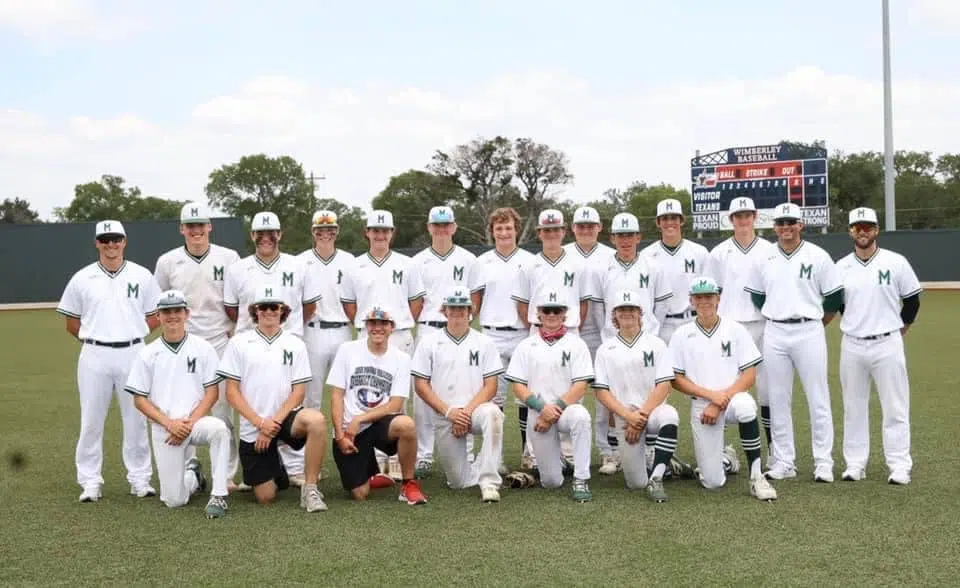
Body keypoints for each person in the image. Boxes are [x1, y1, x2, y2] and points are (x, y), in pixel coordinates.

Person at [56, 220, 159, 502]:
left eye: (116, 239)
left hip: (134, 353)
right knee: (91, 419)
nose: (111, 245)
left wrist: (133, 334)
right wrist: (96, 338)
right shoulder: (82, 278)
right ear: (97, 243)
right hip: (94, 355)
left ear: (124, 241)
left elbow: (154, 315)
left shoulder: (142, 275)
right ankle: (90, 481)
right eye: (105, 239)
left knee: (137, 419)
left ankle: (140, 479)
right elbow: (71, 321)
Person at [744, 202, 843, 482]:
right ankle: (784, 461)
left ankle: (823, 462)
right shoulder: (764, 258)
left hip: (808, 329)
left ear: (801, 224)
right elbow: (757, 295)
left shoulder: (817, 255)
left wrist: (814, 322)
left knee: (818, 397)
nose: (786, 228)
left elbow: (834, 297)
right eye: (780, 223)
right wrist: (776, 311)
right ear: (774, 227)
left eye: (791, 222)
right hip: (775, 331)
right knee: (777, 399)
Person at [223, 211, 322, 487]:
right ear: (252, 236)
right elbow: (232, 308)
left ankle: (292, 467)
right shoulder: (238, 269)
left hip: (289, 341)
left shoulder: (298, 265)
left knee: (290, 401)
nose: (266, 238)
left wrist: (284, 329)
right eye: (260, 234)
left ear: (279, 235)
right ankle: (256, 464)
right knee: (250, 402)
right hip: (249, 345)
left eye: (272, 233)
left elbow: (308, 306)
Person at [154, 202, 242, 490]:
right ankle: (189, 466)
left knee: (222, 409)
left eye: (200, 225)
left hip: (220, 341)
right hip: (184, 344)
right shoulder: (168, 262)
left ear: (209, 227)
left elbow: (236, 301)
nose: (196, 231)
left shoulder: (230, 258)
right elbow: (162, 304)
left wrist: (235, 332)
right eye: (190, 226)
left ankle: (226, 473)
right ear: (182, 229)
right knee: (183, 405)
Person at [219, 285, 329, 512]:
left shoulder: (295, 343)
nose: (269, 312)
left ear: (283, 312)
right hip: (254, 426)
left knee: (316, 420)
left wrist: (273, 424)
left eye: (274, 308)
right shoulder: (239, 343)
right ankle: (277, 469)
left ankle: (310, 489)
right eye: (263, 308)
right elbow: (231, 393)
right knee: (266, 497)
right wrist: (260, 423)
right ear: (255, 312)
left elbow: (299, 391)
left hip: (285, 418)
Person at [669, 276, 779, 501]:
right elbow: (676, 379)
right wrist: (711, 398)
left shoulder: (735, 329)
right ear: (691, 301)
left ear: (718, 299)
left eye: (709, 296)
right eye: (698, 298)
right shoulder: (682, 334)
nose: (704, 302)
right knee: (711, 482)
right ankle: (727, 459)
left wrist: (722, 399)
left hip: (732, 399)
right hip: (702, 405)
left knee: (747, 406)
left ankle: (757, 477)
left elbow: (749, 375)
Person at [125, 290, 231, 518]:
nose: (172, 316)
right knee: (174, 500)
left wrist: (189, 423)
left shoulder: (202, 347)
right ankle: (194, 474)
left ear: (186, 314)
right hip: (165, 429)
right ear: (158, 316)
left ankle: (219, 495)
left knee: (220, 430)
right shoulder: (148, 353)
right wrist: (170, 424)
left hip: (196, 421)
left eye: (177, 311)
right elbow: (139, 399)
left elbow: (212, 392)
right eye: (166, 312)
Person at [836, 207, 922, 485]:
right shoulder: (840, 267)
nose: (863, 232)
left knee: (895, 406)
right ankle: (855, 463)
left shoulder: (896, 262)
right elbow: (838, 305)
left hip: (887, 343)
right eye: (857, 227)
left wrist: (897, 332)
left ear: (876, 229)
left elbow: (912, 302)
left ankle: (898, 465)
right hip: (852, 344)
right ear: (850, 231)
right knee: (853, 406)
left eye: (868, 226)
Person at [340, 209, 425, 480]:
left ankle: (397, 459)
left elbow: (416, 302)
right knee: (368, 391)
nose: (379, 235)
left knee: (398, 398)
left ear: (392, 233)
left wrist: (397, 323)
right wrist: (371, 329)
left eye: (384, 230)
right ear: (367, 232)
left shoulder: (407, 264)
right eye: (375, 230)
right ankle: (375, 459)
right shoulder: (355, 265)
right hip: (369, 334)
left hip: (398, 333)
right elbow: (349, 304)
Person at [512, 209, 594, 469]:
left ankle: (568, 453)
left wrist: (567, 325)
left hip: (569, 330)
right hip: (538, 330)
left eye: (555, 229)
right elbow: (523, 304)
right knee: (532, 391)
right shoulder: (528, 264)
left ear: (563, 231)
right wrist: (539, 326)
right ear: (539, 233)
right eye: (546, 230)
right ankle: (530, 452)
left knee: (570, 389)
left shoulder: (577, 264)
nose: (551, 234)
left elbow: (583, 303)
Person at [595, 212, 673, 475]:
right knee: (609, 400)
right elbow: (597, 308)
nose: (625, 240)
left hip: (646, 339)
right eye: (620, 236)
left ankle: (650, 447)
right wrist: (608, 333)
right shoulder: (602, 267)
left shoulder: (653, 266)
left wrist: (652, 332)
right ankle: (610, 452)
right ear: (612, 238)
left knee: (648, 393)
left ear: (638, 237)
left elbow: (660, 304)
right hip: (612, 339)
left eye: (630, 235)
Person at [327, 308, 428, 505]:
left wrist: (360, 419)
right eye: (373, 323)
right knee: (359, 494)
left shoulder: (402, 358)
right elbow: (336, 395)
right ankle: (370, 475)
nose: (378, 328)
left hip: (378, 422)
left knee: (406, 424)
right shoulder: (347, 350)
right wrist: (340, 434)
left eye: (383, 324)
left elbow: (396, 404)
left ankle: (409, 484)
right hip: (351, 431)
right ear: (366, 327)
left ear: (392, 328)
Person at [412, 290, 505, 502]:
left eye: (462, 308)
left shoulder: (484, 342)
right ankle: (482, 465)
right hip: (445, 413)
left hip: (476, 409)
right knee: (458, 483)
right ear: (444, 311)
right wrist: (449, 412)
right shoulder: (429, 342)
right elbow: (421, 386)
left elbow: (491, 386)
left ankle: (489, 481)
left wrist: (465, 413)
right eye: (452, 308)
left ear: (470, 312)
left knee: (494, 414)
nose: (457, 312)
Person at [505, 289, 594, 502]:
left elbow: (581, 385)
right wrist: (542, 409)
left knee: (581, 416)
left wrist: (553, 410)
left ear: (565, 314)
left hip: (567, 410)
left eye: (557, 310)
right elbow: (518, 386)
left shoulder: (576, 344)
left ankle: (581, 478)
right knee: (552, 482)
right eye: (547, 310)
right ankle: (560, 462)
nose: (552, 315)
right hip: (538, 413)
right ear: (539, 314)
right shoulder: (526, 346)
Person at [410, 206, 480, 478]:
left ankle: (468, 451)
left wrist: (466, 323)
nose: (441, 229)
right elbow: (416, 302)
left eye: (446, 225)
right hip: (429, 328)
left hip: (461, 327)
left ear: (454, 227)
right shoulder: (417, 261)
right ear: (429, 228)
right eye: (436, 225)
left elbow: (475, 298)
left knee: (464, 387)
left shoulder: (469, 259)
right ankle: (424, 455)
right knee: (424, 394)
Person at [592, 290, 680, 502]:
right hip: (625, 417)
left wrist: (640, 415)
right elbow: (602, 392)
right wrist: (628, 417)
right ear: (614, 315)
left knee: (670, 415)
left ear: (640, 313)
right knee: (635, 484)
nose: (627, 313)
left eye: (631, 309)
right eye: (622, 310)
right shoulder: (605, 349)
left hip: (652, 412)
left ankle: (657, 477)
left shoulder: (657, 344)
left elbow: (664, 385)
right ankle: (668, 465)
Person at [705, 197, 776, 454]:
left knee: (767, 390)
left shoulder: (770, 249)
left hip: (763, 325)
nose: (743, 219)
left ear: (755, 216)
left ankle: (774, 451)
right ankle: (720, 449)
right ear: (731, 219)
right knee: (722, 387)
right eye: (738, 215)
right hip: (730, 327)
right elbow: (711, 292)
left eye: (747, 215)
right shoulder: (719, 253)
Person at [473, 207, 535, 473]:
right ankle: (493, 458)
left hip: (523, 333)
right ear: (492, 231)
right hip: (492, 335)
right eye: (499, 228)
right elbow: (475, 302)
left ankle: (528, 454)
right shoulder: (482, 262)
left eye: (508, 227)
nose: (504, 232)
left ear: (516, 229)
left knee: (526, 399)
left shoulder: (531, 260)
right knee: (493, 400)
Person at [298, 210, 357, 411]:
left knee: (347, 392)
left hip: (343, 330)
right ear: (313, 232)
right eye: (320, 229)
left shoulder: (350, 260)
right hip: (313, 331)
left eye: (330, 229)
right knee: (311, 395)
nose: (325, 233)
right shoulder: (300, 261)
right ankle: (307, 443)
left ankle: (344, 441)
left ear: (337, 230)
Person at [640, 198, 709, 345]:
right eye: (665, 218)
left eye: (674, 218)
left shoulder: (699, 252)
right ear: (658, 223)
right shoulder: (646, 255)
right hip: (663, 324)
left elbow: (709, 293)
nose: (669, 222)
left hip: (693, 320)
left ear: (682, 221)